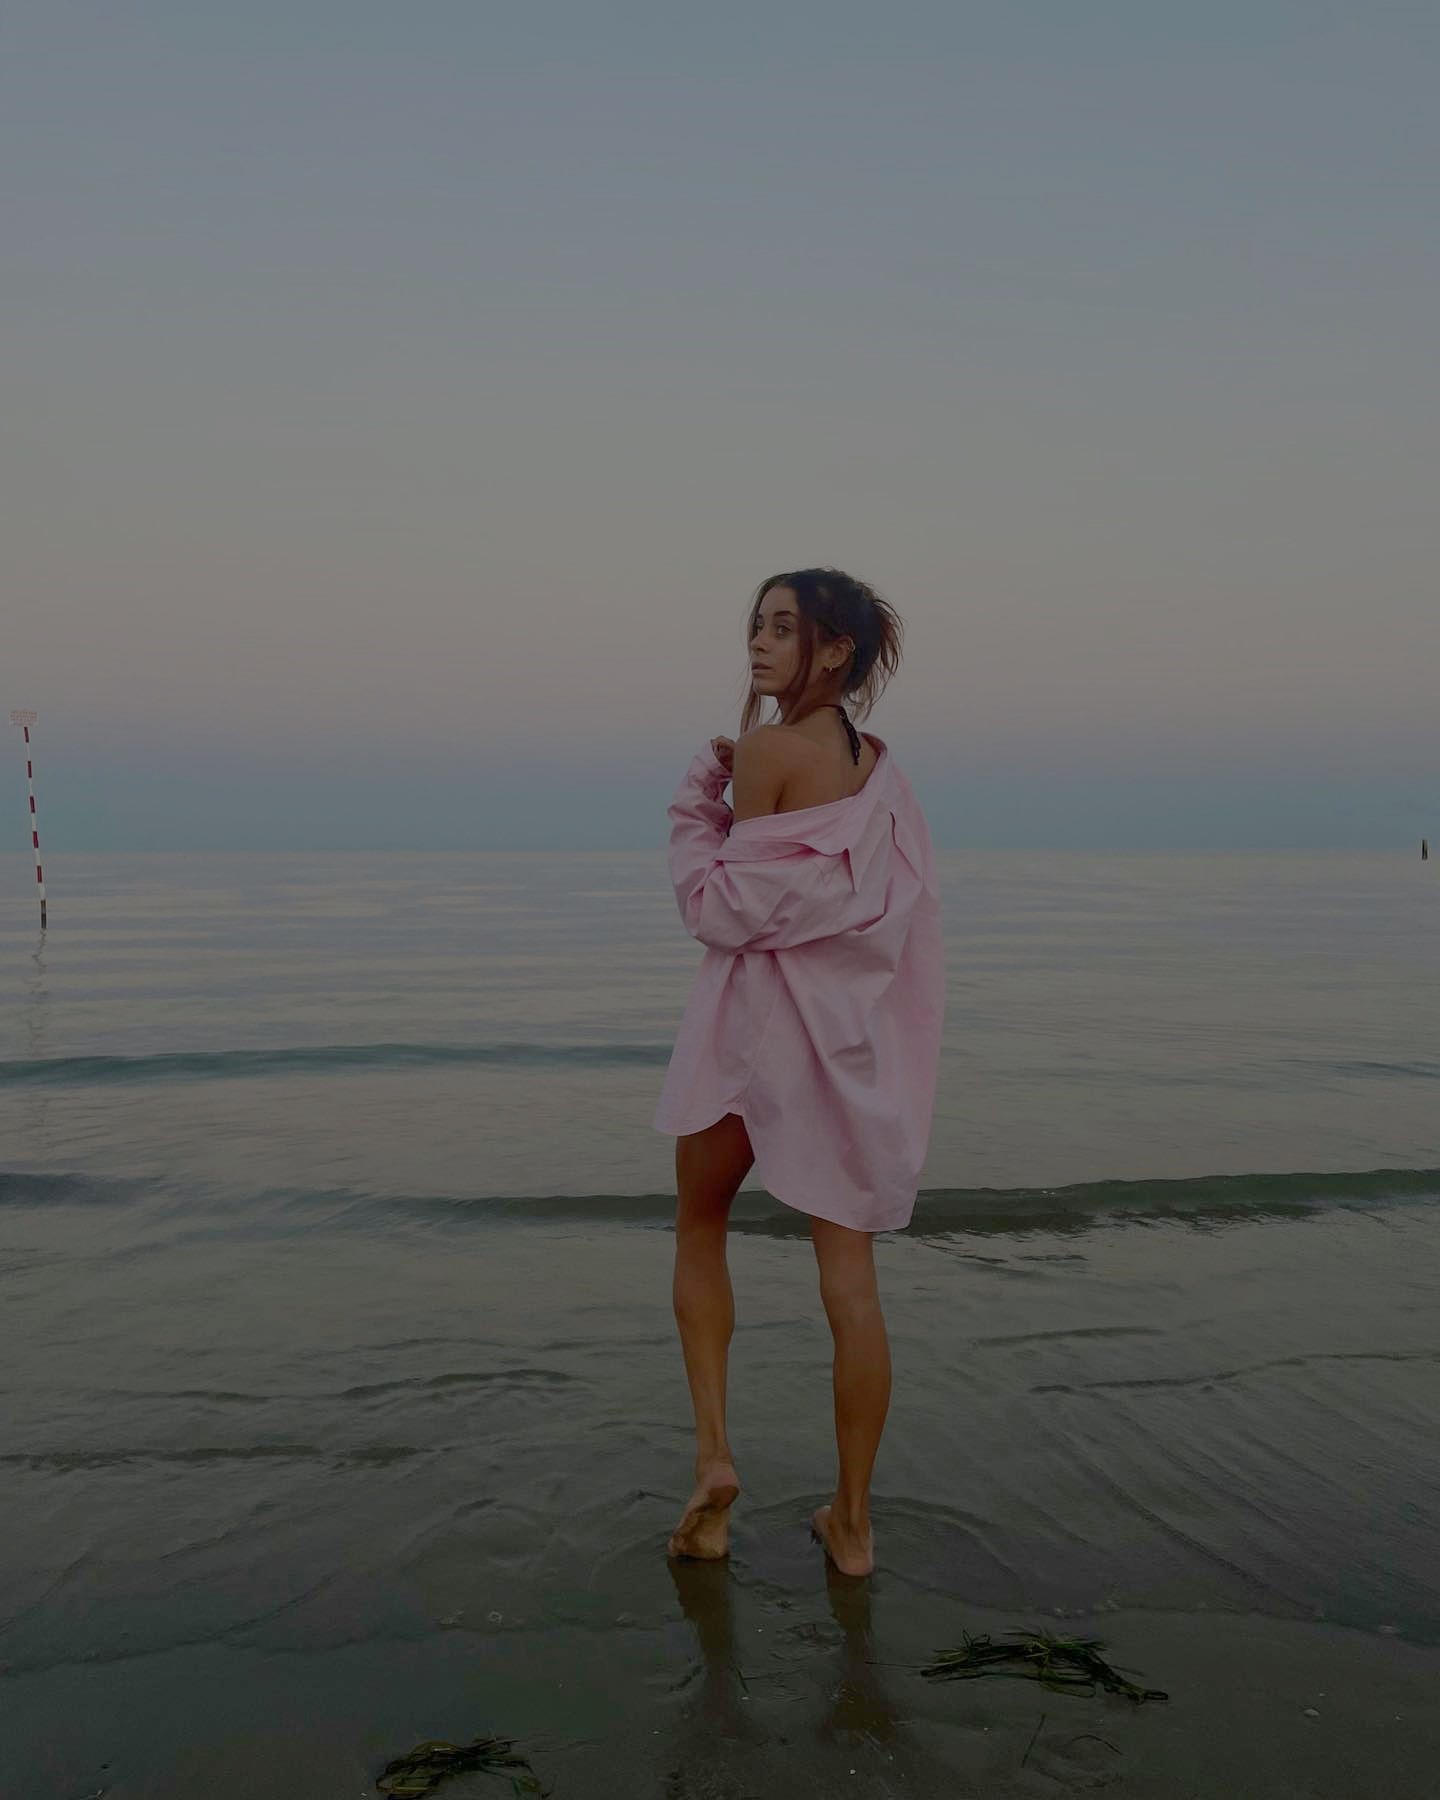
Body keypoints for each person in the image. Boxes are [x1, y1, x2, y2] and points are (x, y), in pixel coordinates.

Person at [652, 567, 945, 1577]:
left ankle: (715, 1460)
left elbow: (720, 908)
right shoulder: (879, 774)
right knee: (851, 1287)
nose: (759, 643)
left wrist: (700, 798)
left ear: (836, 651)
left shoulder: (769, 751)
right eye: (757, 625)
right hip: (844, 1046)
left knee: (700, 1224)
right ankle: (852, 1523)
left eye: (785, 628)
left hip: (753, 1037)